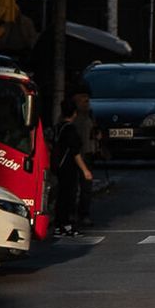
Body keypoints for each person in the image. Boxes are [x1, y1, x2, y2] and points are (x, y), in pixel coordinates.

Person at [52, 97, 93, 237]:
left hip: (58, 166)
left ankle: (58, 225)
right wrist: (85, 170)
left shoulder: (58, 128)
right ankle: (67, 225)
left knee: (61, 196)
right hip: (69, 167)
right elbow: (75, 152)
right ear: (74, 113)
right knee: (69, 197)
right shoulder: (70, 130)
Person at [63, 83, 100, 227]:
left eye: (87, 98)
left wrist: (97, 135)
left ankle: (84, 214)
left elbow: (93, 129)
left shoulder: (89, 113)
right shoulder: (71, 116)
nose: (86, 100)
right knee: (71, 186)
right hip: (73, 155)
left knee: (86, 187)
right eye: (83, 97)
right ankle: (71, 213)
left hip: (87, 153)